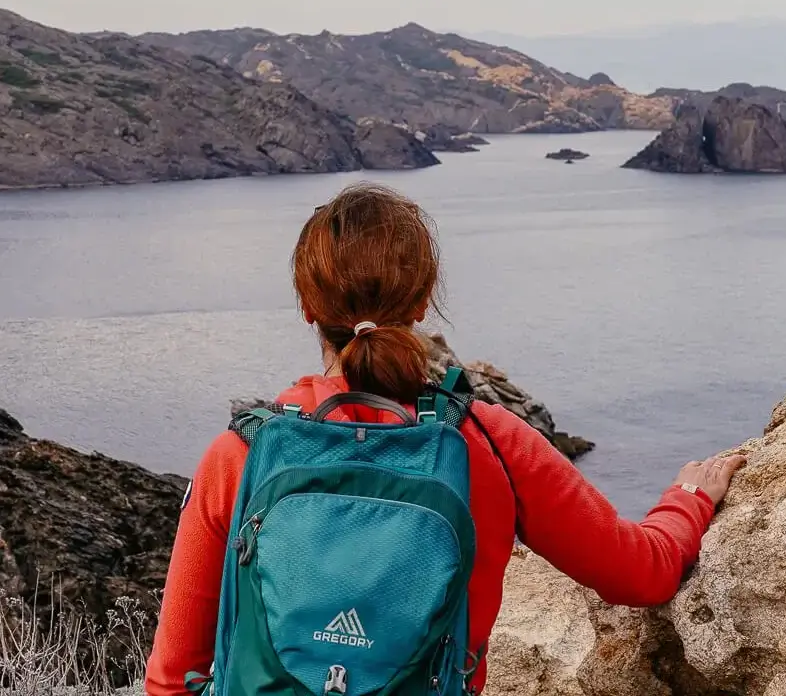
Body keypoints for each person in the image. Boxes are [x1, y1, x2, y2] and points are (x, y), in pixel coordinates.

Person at [145, 183, 745, 696]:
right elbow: (640, 573)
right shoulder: (488, 442)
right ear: (424, 300)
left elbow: (173, 679)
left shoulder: (243, 455)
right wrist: (689, 497)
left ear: (306, 306)